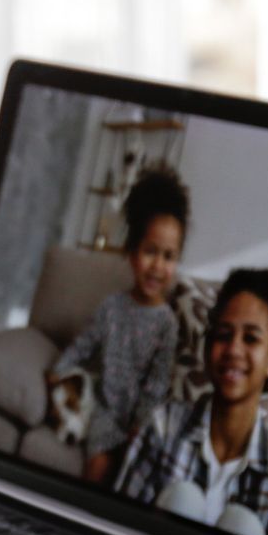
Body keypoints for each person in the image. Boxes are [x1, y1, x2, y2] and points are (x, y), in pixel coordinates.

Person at [112, 259, 268, 535]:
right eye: (223, 335)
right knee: (183, 499)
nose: (233, 349)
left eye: (250, 338)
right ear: (209, 348)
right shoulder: (163, 425)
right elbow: (118, 528)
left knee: (243, 526)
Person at [50, 164, 189, 484]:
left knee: (140, 474)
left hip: (142, 421)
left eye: (169, 257)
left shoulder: (167, 323)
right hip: (105, 410)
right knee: (99, 466)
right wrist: (59, 371)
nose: (158, 266)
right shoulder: (112, 307)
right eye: (150, 252)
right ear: (131, 253)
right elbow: (83, 344)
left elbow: (156, 385)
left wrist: (139, 425)